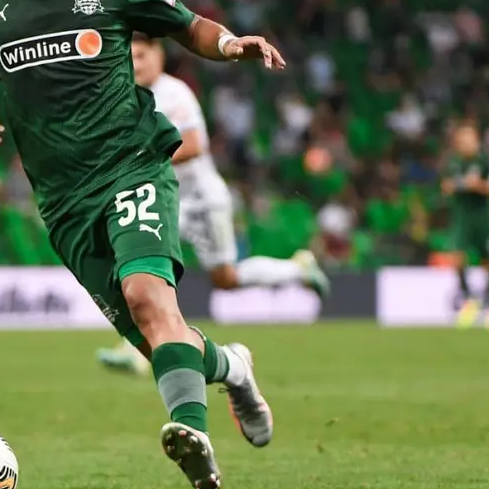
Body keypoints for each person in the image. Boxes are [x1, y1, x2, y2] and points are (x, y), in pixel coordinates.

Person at [0, 0, 281, 489]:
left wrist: (229, 44)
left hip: (131, 166)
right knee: (157, 337)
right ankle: (233, 366)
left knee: (147, 296)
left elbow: (188, 26)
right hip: (62, 200)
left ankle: (192, 434)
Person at [97, 33, 330, 375]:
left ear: (159, 56)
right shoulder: (127, 96)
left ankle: (298, 270)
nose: (136, 64)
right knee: (144, 265)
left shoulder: (173, 93)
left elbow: (193, 145)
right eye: (130, 57)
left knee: (226, 278)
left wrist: (140, 159)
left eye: (142, 56)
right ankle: (139, 348)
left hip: (202, 200)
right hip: (167, 200)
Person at [442, 119, 489, 331]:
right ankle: (468, 298)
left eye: (468, 139)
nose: (464, 143)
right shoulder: (453, 163)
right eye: (461, 140)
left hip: (482, 218)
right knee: (456, 256)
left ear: (476, 140)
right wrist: (452, 186)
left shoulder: (487, 162)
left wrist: (479, 185)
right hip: (462, 218)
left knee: (487, 261)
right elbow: (446, 185)